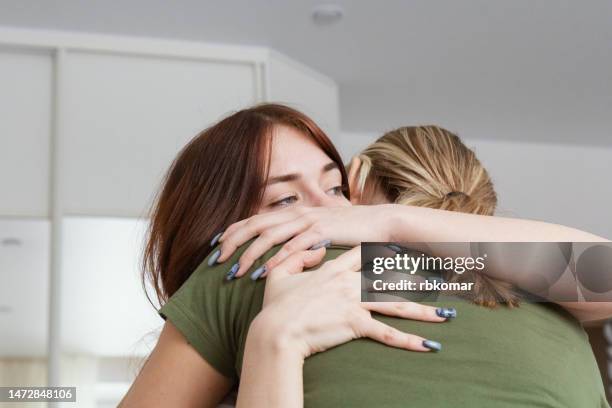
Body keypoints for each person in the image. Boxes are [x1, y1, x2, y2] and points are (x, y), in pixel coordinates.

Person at [120, 104, 610, 407]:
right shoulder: (252, 264)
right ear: (225, 228)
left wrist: (384, 220)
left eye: (335, 190)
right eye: (285, 202)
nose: (325, 214)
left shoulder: (442, 271)